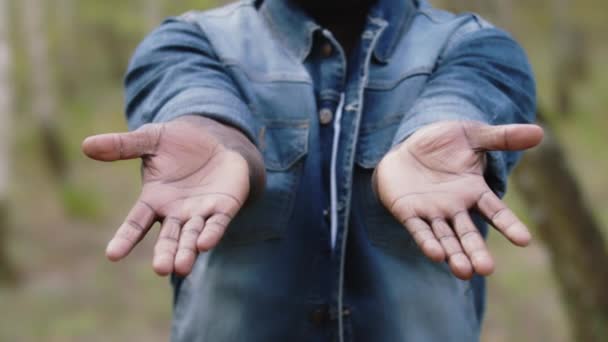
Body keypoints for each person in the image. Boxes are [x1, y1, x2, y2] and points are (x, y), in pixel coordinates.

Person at [82, 0, 544, 340]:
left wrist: (432, 131)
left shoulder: (476, 46)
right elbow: (191, 94)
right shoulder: (187, 43)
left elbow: (467, 90)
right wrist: (221, 141)